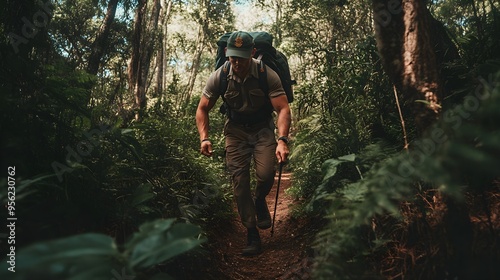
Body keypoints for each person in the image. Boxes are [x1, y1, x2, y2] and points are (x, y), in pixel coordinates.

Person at [196, 31, 291, 255]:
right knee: (240, 182)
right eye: (232, 56)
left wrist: (282, 139)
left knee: (266, 175)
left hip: (262, 130)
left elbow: (282, 108)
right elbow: (202, 108)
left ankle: (259, 201)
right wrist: (204, 138)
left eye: (242, 56)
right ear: (227, 53)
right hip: (235, 131)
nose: (236, 62)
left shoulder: (266, 74)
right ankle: (252, 233)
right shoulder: (220, 76)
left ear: (253, 53)